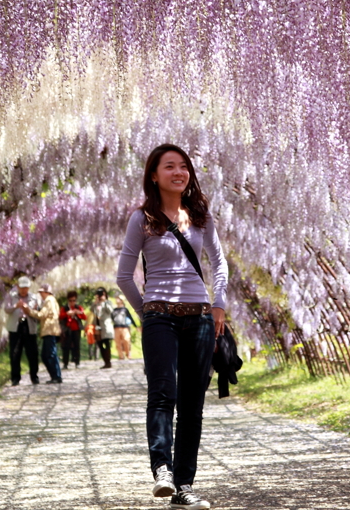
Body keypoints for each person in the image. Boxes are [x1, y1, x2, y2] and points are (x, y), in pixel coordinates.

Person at [116, 144, 228, 510]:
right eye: (170, 167)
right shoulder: (142, 219)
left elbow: (219, 264)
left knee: (193, 403)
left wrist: (219, 303)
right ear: (154, 174)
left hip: (199, 316)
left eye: (184, 167)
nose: (179, 173)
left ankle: (184, 485)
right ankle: (162, 469)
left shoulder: (200, 216)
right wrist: (146, 311)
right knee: (163, 393)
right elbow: (124, 276)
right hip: (159, 315)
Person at [21, 282, 63, 384]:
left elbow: (42, 315)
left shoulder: (49, 300)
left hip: (49, 331)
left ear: (46, 292)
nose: (40, 294)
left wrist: (29, 311)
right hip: (50, 330)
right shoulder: (53, 301)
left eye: (41, 292)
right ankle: (56, 376)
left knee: (48, 355)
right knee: (49, 354)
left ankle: (56, 376)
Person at [2, 276, 39, 385]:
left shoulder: (33, 297)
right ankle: (15, 378)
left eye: (26, 288)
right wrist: (16, 306)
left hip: (29, 326)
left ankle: (34, 376)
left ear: (29, 287)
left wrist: (27, 307)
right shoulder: (11, 296)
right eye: (22, 287)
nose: (24, 290)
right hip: (15, 326)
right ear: (17, 287)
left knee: (32, 353)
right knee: (15, 352)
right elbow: (7, 309)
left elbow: (33, 309)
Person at [59, 290, 86, 370]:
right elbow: (60, 316)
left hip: (76, 329)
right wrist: (67, 313)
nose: (72, 302)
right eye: (70, 300)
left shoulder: (78, 307)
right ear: (68, 300)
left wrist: (78, 313)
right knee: (66, 346)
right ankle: (65, 363)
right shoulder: (64, 308)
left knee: (77, 346)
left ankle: (77, 362)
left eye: (74, 300)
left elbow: (84, 317)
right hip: (67, 329)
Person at [91, 287, 116, 369]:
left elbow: (111, 311)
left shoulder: (108, 302)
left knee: (107, 344)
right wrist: (95, 303)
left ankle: (108, 362)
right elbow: (92, 311)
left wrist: (104, 302)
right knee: (99, 344)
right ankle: (105, 361)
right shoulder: (96, 303)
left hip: (106, 326)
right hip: (98, 327)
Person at [112, 295, 138, 360]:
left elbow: (130, 318)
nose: (117, 300)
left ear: (121, 300)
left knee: (126, 340)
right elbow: (112, 318)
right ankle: (121, 356)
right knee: (117, 342)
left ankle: (128, 354)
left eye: (118, 299)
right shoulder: (114, 310)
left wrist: (136, 326)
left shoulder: (125, 309)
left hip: (125, 328)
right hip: (116, 327)